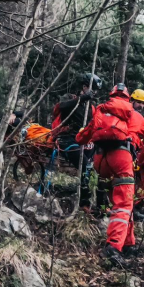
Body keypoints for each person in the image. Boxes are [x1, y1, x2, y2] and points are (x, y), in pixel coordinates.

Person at [75, 83, 144, 265]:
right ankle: (113, 247)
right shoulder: (134, 115)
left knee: (121, 203)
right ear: (129, 98)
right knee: (124, 205)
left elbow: (81, 138)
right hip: (121, 159)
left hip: (101, 161)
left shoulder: (101, 111)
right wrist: (140, 146)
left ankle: (129, 243)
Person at [51, 72, 101, 207]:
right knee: (85, 167)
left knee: (94, 168)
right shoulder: (70, 98)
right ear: (85, 87)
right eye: (93, 90)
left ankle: (95, 201)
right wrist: (82, 98)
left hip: (84, 143)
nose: (94, 93)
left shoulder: (91, 108)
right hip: (67, 141)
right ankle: (83, 202)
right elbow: (60, 107)